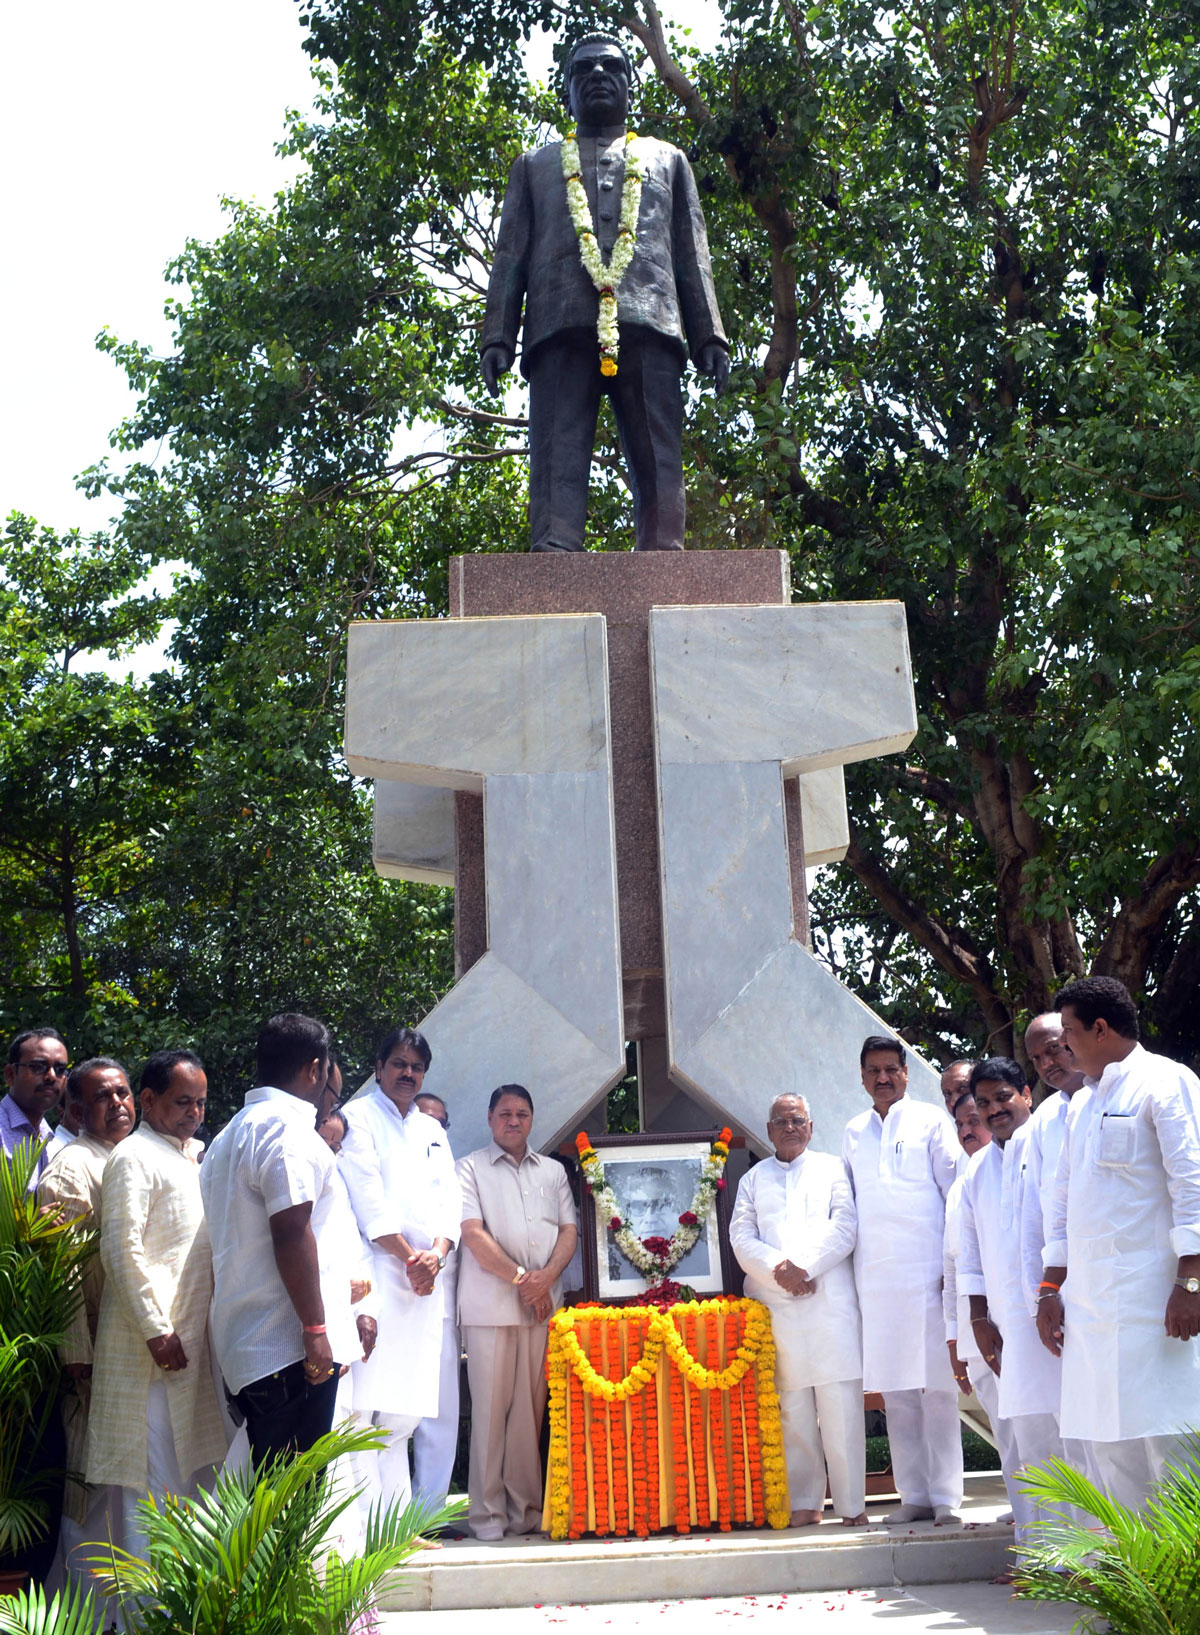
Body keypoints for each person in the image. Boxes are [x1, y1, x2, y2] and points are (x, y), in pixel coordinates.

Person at [481, 32, 728, 553]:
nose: (597, 76)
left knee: (658, 449)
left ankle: (664, 552)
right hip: (560, 322)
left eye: (611, 68)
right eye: (584, 69)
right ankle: (555, 547)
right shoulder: (535, 166)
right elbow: (510, 256)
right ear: (567, 90)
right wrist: (498, 336)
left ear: (629, 85)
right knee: (556, 448)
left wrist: (710, 335)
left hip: (650, 321)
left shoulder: (668, 160)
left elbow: (692, 252)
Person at [1038, 976, 1200, 1511]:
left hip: (1155, 1305)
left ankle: (1185, 1588)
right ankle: (1145, 1589)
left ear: (1100, 1029)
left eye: (1068, 1033)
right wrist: (1048, 1288)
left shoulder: (1165, 1082)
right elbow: (1061, 1206)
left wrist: (1191, 1282)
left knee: (1171, 1446)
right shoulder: (1081, 1105)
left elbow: (1192, 1184)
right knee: (1109, 1447)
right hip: (1092, 1311)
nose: (1063, 1046)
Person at [202, 1015, 360, 1469]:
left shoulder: (227, 1136)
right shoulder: (286, 1130)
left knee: (271, 1501)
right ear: (314, 1070)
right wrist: (315, 1332)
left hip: (248, 1345)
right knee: (289, 1508)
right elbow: (291, 1231)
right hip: (287, 1350)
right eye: (331, 1080)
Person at [86, 1050, 227, 1559]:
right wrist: (154, 1329)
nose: (195, 1112)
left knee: (194, 1486)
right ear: (148, 1100)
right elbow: (120, 1249)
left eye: (202, 1103)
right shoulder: (134, 1156)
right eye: (183, 1101)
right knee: (154, 1493)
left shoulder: (192, 1156)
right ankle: (147, 1617)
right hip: (152, 1354)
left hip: (194, 1348)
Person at [842, 1035, 965, 1525]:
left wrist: (951, 1268)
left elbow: (955, 1193)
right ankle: (912, 1495)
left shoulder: (933, 1122)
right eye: (873, 1070)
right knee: (896, 1393)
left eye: (891, 1068)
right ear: (862, 1076)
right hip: (878, 1280)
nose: (883, 1078)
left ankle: (946, 1499)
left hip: (928, 1275)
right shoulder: (853, 1131)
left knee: (937, 1390)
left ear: (907, 1073)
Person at [729, 1094, 867, 1527]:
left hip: (829, 1302)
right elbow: (741, 1238)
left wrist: (803, 1267)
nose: (790, 1127)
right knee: (793, 1410)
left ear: (811, 1126)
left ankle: (851, 1506)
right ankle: (805, 1502)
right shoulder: (753, 1179)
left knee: (841, 1406)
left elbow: (844, 1226)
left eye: (798, 1120)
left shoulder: (832, 1168)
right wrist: (780, 1271)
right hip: (777, 1307)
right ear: (768, 1130)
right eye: (781, 1121)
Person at [338, 1026, 460, 1516]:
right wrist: (412, 1258)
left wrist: (439, 1254)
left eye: (416, 1066)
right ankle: (363, 1530)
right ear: (379, 1068)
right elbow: (368, 1202)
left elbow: (450, 1202)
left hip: (426, 1281)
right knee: (367, 1410)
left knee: (405, 1414)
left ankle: (397, 1529)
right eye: (399, 1064)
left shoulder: (431, 1129)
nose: (408, 1073)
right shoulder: (358, 1117)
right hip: (382, 1277)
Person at [456, 1085, 577, 1540]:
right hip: (491, 1308)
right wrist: (524, 1280)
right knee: (489, 1414)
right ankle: (487, 1516)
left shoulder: (553, 1172)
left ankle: (525, 1511)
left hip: (541, 1308)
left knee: (530, 1414)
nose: (513, 1121)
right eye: (504, 1113)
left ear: (532, 1119)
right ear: (490, 1119)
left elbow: (569, 1230)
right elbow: (472, 1233)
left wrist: (545, 1279)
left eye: (522, 1114)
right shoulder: (468, 1168)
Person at [957, 1058, 1065, 1566]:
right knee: (1025, 1443)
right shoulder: (976, 1170)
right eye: (984, 1103)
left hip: (1054, 1319)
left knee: (1068, 1441)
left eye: (1003, 1097)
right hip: (1005, 1326)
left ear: (1025, 1093)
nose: (995, 1110)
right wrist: (978, 1320)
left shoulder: (1046, 1144)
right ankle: (1039, 1556)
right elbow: (971, 1255)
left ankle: (1087, 1559)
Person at [38, 1058, 136, 1593]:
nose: (118, 1103)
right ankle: (77, 1613)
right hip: (92, 1355)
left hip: (131, 1352)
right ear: (75, 1110)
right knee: (89, 1483)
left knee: (123, 1484)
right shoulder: (73, 1168)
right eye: (103, 1097)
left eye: (123, 1092)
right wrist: (77, 1352)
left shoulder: (133, 1156)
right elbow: (64, 1272)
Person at [941, 1089, 1022, 1527]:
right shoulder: (960, 1188)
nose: (969, 1130)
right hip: (977, 1337)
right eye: (961, 1124)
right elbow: (953, 1272)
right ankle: (1026, 1520)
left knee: (1038, 1437)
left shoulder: (1018, 1167)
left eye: (975, 1120)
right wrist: (955, 1337)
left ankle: (1054, 1538)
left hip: (1019, 1329)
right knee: (1007, 1438)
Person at [413, 1090, 462, 1526]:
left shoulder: (452, 1175)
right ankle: (378, 1518)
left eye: (439, 1122)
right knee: (387, 1419)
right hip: (389, 1307)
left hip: (443, 1311)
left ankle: (425, 1518)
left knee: (440, 1417)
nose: (430, 1127)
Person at [1, 1027, 69, 1182]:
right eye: (38, 1067)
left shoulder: (49, 1138)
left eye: (60, 1069)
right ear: (10, 1075)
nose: (51, 1076)